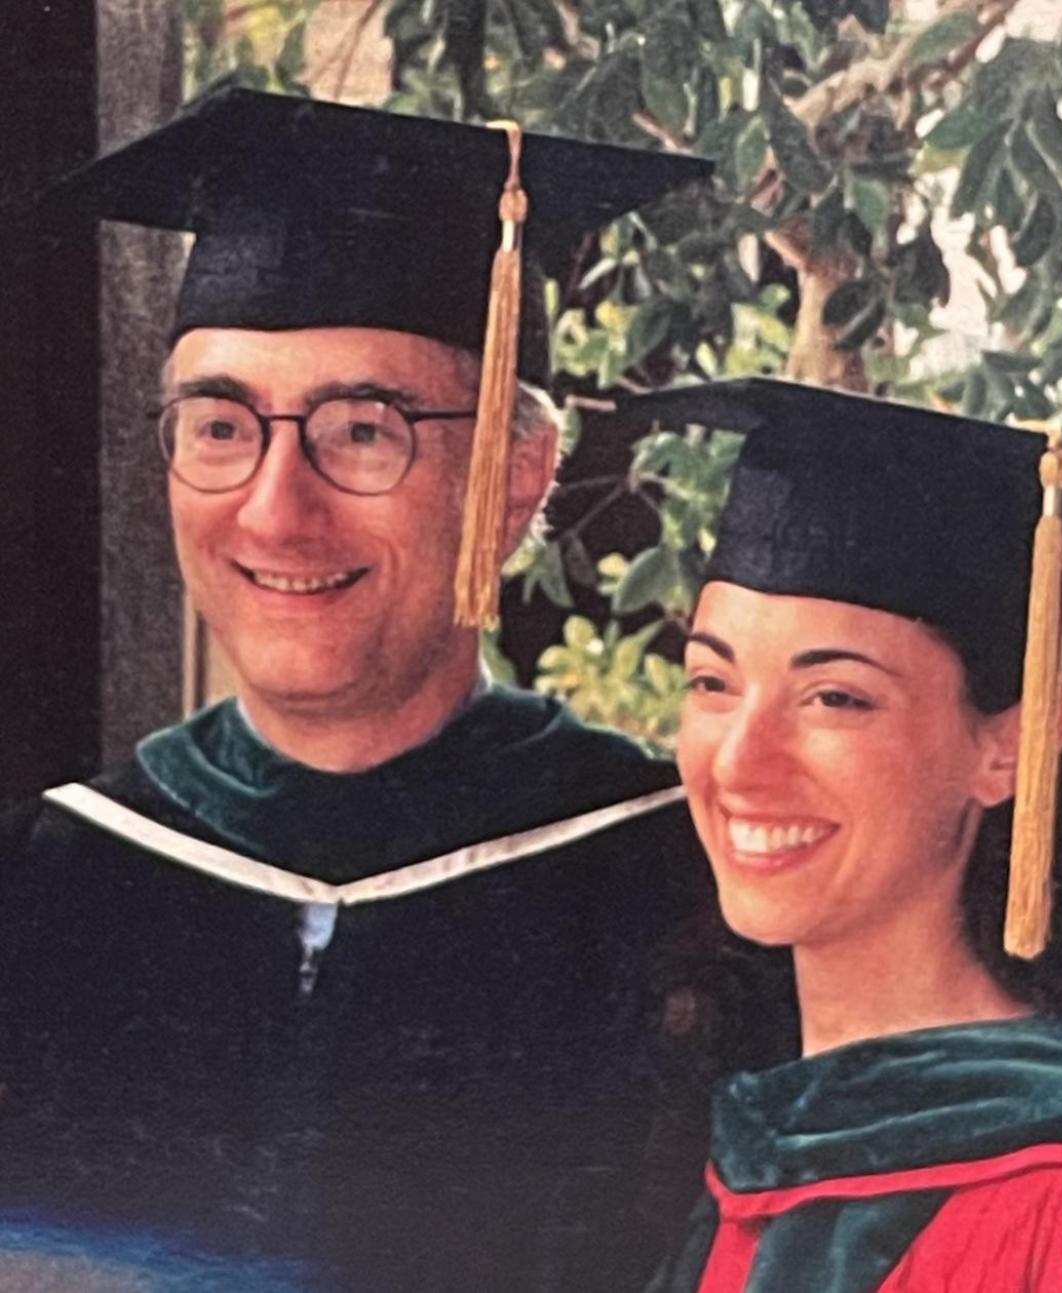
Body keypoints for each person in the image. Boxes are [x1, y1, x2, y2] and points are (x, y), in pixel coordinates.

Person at [0, 91, 792, 1291]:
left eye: (362, 430)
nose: (275, 506)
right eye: (220, 427)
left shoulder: (697, 908)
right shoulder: (39, 886)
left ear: (518, 478)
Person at [605, 377, 1062, 1292]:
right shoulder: (757, 1129)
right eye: (713, 683)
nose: (739, 762)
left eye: (834, 697)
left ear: (1008, 747)